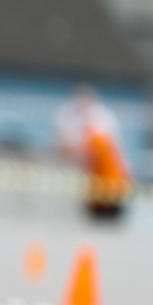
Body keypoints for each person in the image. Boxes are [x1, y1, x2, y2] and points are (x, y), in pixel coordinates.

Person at [52, 85, 130, 222]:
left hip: (110, 185)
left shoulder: (100, 124)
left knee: (105, 223)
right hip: (98, 186)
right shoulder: (85, 123)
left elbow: (83, 151)